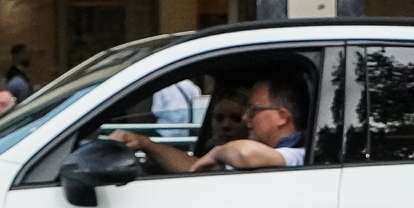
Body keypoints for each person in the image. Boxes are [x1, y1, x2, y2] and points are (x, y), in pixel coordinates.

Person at [113, 78, 307, 171]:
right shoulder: (270, 155)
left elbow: (245, 153)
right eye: (219, 118)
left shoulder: (298, 154)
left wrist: (218, 151)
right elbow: (194, 168)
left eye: (253, 111)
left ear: (282, 116)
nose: (247, 118)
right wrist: (145, 144)